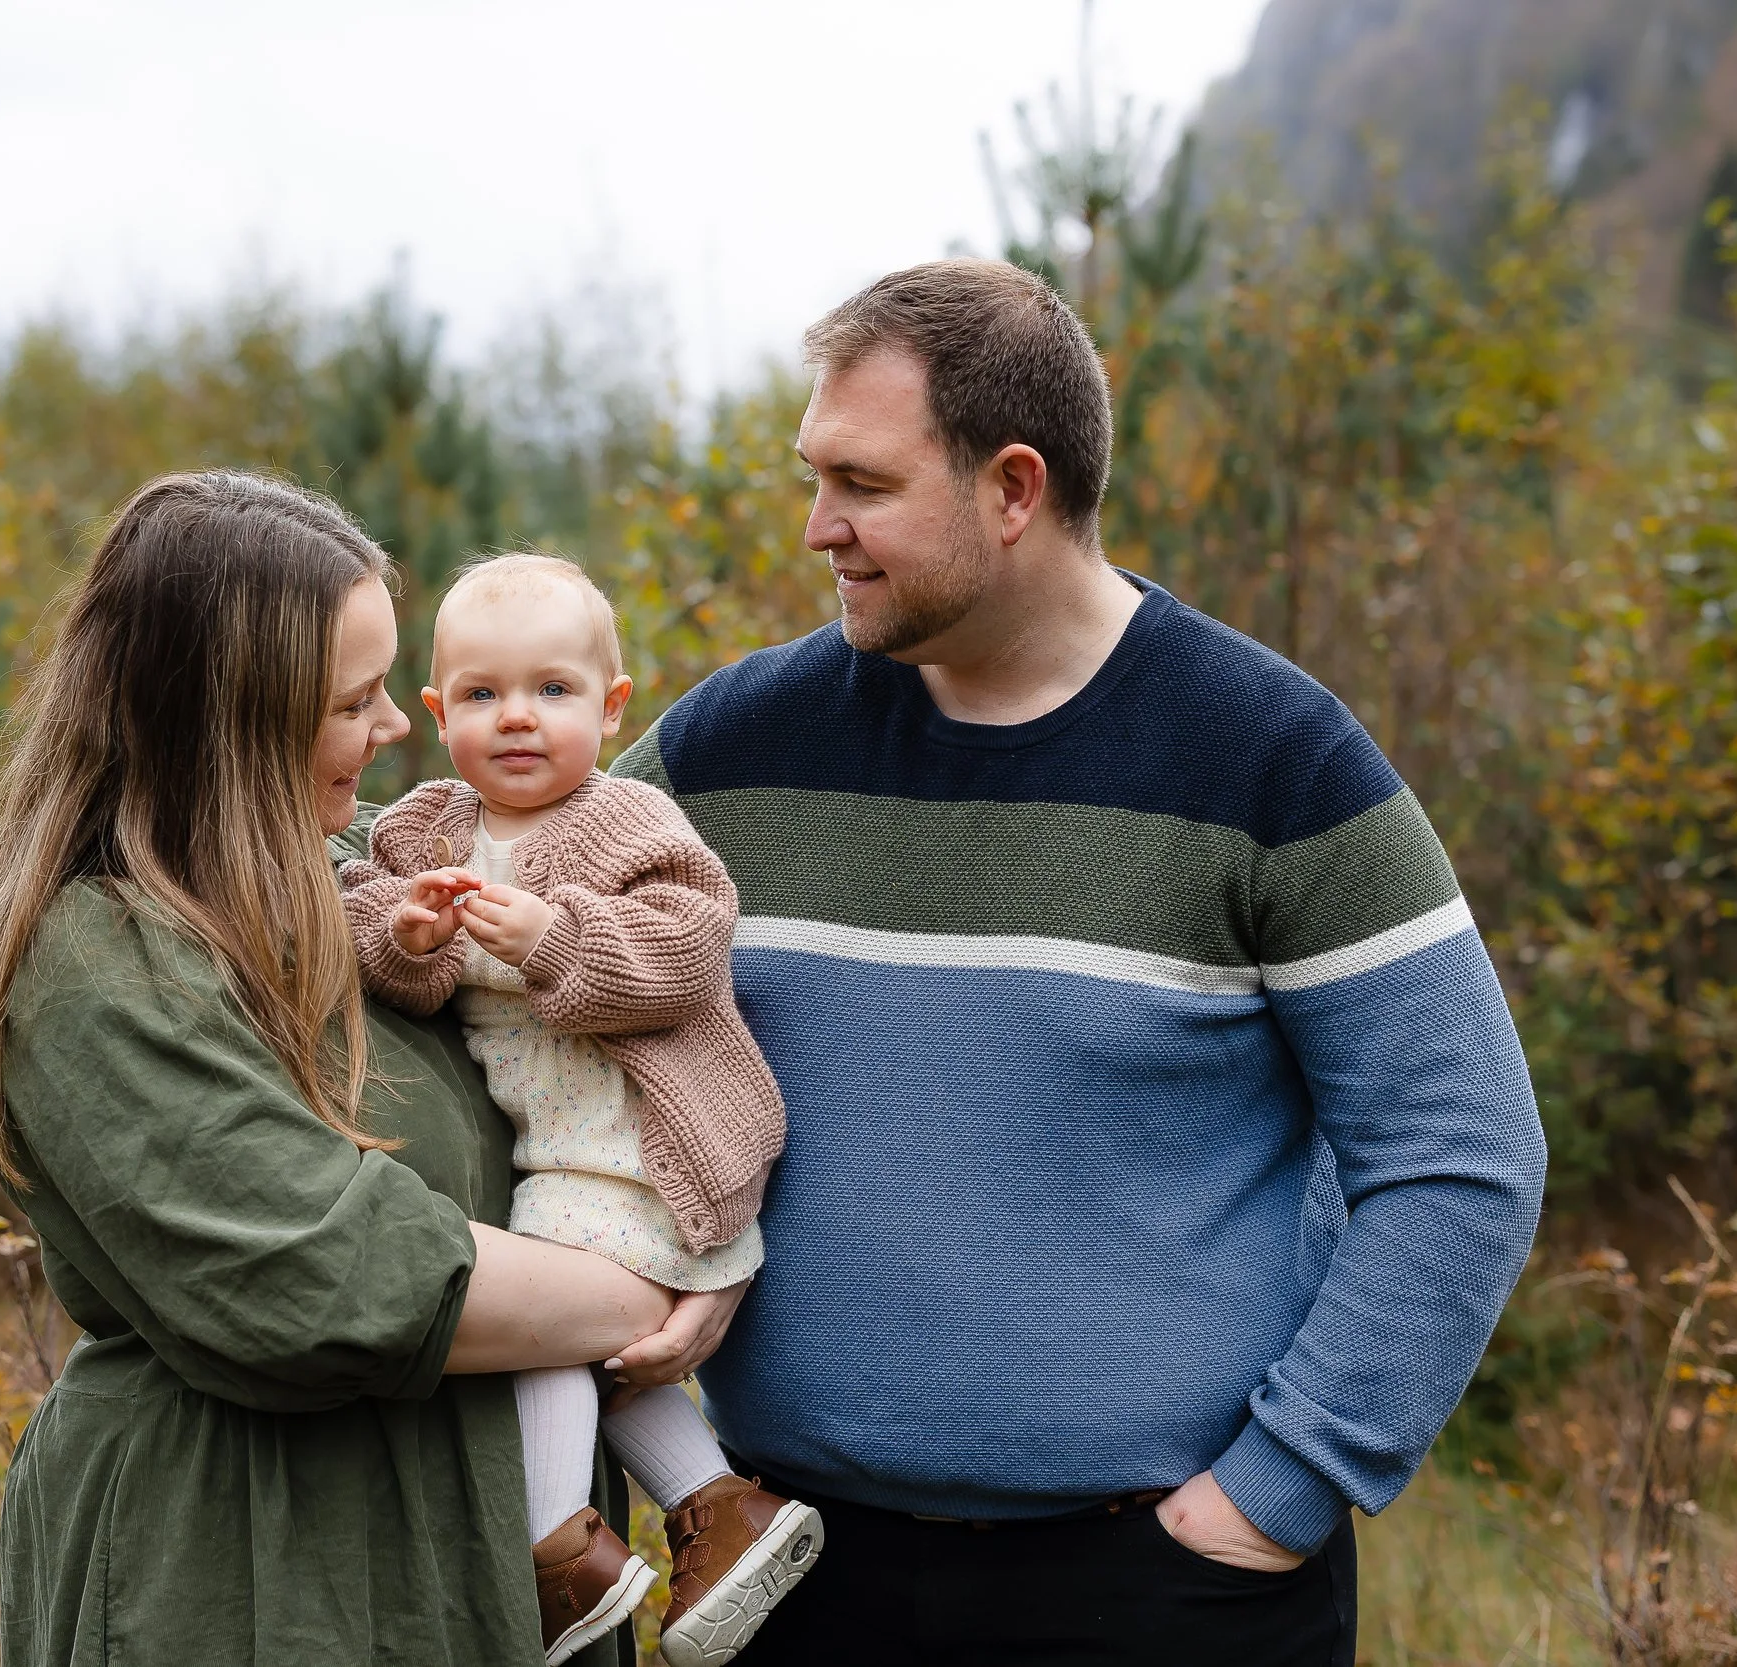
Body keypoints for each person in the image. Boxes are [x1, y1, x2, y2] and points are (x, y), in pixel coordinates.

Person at [607, 260, 1549, 1666]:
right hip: (797, 1573)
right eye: (814, 478)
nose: (819, 528)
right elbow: (503, 916)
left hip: (1161, 1589)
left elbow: (1461, 1148)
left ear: (1012, 488)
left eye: (861, 483)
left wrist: (1278, 1491)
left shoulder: (1272, 756)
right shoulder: (732, 748)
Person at [0, 471, 734, 1667]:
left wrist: (702, 1220)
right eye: (356, 700)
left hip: (467, 1543)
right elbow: (326, 1272)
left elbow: (629, 1005)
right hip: (247, 1565)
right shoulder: (98, 957)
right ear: (235, 720)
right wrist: (655, 1290)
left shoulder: (356, 880)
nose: (398, 727)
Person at [341, 554, 823, 1667]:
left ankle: (555, 1542)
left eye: (553, 690)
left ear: (611, 707)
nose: (517, 718)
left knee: (542, 1318)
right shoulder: (423, 831)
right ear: (435, 710)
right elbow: (374, 930)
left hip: (650, 1140)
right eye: (481, 694)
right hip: (553, 1151)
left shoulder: (628, 823)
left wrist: (554, 939)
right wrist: (407, 937)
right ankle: (714, 1501)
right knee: (595, 1347)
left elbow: (687, 952)